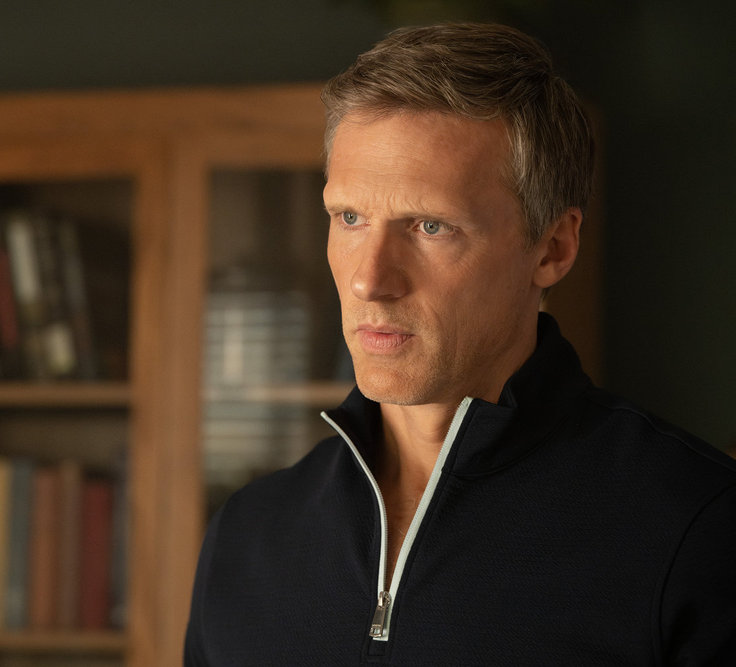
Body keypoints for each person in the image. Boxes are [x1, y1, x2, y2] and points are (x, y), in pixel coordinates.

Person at [184, 22, 736, 665]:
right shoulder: (247, 535)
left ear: (553, 249)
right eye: (350, 218)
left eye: (430, 226)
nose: (369, 279)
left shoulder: (699, 528)